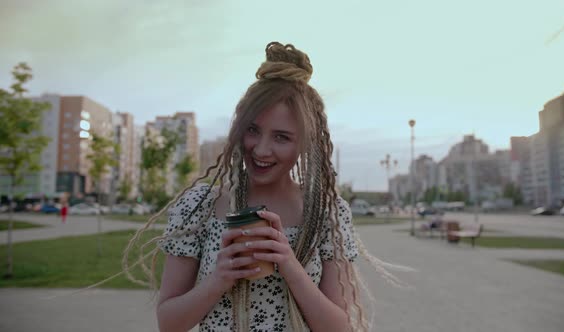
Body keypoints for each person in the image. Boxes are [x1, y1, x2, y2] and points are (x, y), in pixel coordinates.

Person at [123, 42, 407, 332]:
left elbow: (339, 327)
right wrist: (218, 279)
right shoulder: (200, 205)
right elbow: (169, 323)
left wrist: (290, 266)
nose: (261, 149)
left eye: (281, 137)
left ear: (305, 143)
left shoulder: (326, 213)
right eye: (253, 130)